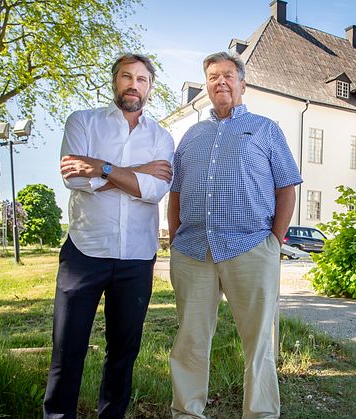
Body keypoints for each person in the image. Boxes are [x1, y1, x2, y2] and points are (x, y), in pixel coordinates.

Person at [167, 51, 302, 418]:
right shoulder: (191, 136)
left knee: (259, 343)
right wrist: (175, 236)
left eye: (228, 75)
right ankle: (186, 413)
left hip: (250, 247)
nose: (220, 82)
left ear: (242, 84)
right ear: (207, 86)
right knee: (190, 340)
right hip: (194, 250)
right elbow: (176, 190)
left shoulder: (265, 128)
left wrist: (274, 240)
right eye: (213, 77)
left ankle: (259, 414)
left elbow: (287, 187)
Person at [44, 53, 175, 418]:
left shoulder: (161, 138)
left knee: (123, 350)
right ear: (114, 81)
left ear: (150, 86)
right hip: (85, 250)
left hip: (136, 255)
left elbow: (153, 190)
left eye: (141, 79)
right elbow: (74, 178)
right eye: (126, 77)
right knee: (68, 347)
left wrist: (100, 167)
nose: (133, 84)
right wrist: (132, 173)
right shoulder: (83, 122)